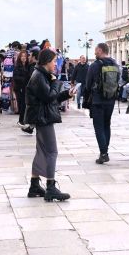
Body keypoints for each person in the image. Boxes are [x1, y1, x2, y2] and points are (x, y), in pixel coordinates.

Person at [24, 48, 76, 201]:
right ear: (47, 62)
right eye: (54, 61)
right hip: (43, 118)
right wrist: (55, 82)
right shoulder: (39, 76)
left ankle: (34, 185)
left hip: (43, 116)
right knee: (52, 151)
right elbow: (49, 97)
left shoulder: (42, 75)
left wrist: (67, 94)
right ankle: (51, 187)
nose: (55, 64)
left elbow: (51, 98)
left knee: (41, 151)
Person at [84, 42, 120, 164]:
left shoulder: (94, 65)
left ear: (100, 50)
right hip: (111, 99)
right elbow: (120, 80)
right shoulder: (115, 64)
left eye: (95, 50)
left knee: (98, 127)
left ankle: (104, 153)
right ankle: (104, 151)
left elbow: (88, 84)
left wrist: (86, 97)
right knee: (106, 125)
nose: (94, 52)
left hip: (98, 100)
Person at [12, 49, 32, 130]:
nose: (23, 58)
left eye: (25, 56)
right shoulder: (17, 67)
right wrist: (24, 79)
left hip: (27, 88)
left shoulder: (29, 66)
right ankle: (21, 120)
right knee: (22, 104)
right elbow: (15, 77)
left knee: (26, 104)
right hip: (20, 88)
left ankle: (24, 120)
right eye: (22, 56)